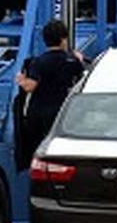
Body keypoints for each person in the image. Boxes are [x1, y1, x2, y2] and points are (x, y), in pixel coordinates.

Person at [15, 19, 85, 168]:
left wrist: (21, 80)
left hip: (38, 113)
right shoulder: (71, 60)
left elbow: (30, 87)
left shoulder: (39, 62)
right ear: (63, 39)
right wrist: (78, 60)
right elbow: (80, 77)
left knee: (39, 150)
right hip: (60, 112)